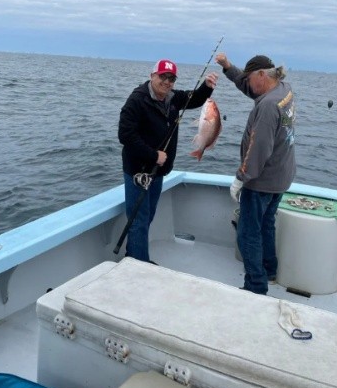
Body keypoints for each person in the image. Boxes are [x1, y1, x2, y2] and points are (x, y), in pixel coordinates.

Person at [118, 59, 218, 263]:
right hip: (139, 171)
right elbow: (125, 135)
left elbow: (195, 99)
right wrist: (153, 155)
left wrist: (206, 87)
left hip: (158, 172)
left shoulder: (173, 98)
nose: (167, 82)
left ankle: (133, 257)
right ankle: (140, 267)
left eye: (171, 78)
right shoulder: (137, 100)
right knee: (139, 221)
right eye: (163, 76)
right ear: (152, 75)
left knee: (146, 218)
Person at [215, 52, 296, 295]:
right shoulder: (283, 90)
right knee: (267, 224)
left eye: (250, 78)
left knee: (248, 234)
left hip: (261, 181)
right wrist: (229, 67)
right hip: (281, 177)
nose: (248, 83)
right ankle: (270, 270)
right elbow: (249, 87)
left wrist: (241, 178)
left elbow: (259, 148)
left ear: (262, 75)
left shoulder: (269, 106)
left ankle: (256, 286)